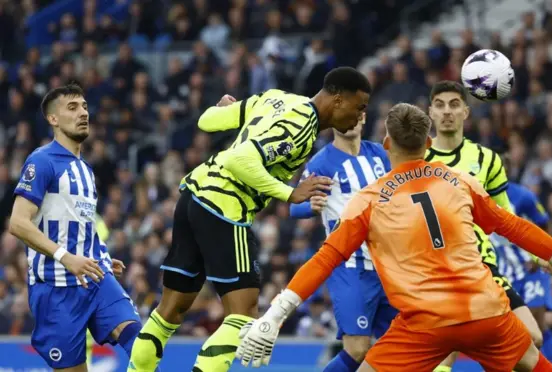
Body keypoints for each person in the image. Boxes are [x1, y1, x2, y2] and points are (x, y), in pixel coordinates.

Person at [233, 102, 552, 372]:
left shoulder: (368, 201)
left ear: (386, 143)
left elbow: (326, 258)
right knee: (532, 362)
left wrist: (274, 316)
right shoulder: (461, 181)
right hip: (486, 312)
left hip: (425, 324)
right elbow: (514, 226)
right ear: (427, 143)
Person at [128, 67, 372, 372]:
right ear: (338, 100)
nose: (361, 115)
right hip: (225, 208)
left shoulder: (277, 98)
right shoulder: (301, 128)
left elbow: (206, 121)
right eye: (359, 107)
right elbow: (238, 159)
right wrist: (289, 193)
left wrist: (222, 109)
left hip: (193, 195)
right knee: (243, 316)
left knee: (169, 312)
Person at [8, 83, 144, 372]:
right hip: (55, 290)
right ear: (53, 119)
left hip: (95, 279)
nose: (83, 113)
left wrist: (101, 254)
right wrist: (66, 257)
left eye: (84, 106)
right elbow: (18, 223)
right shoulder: (42, 161)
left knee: (141, 343)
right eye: (72, 108)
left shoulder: (86, 170)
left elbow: (80, 223)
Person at [425, 81, 552, 371]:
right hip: (436, 269)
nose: (447, 111)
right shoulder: (417, 158)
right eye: (440, 105)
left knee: (532, 337)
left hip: (483, 266)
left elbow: (506, 218)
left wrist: (538, 254)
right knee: (445, 350)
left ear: (466, 112)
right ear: (430, 112)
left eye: (454, 104)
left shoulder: (487, 160)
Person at [289, 112, 395, 372]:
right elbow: (295, 207)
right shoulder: (322, 162)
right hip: (351, 267)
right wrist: (311, 206)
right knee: (357, 348)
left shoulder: (380, 155)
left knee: (400, 346)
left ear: (364, 118)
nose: (351, 119)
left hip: (390, 266)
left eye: (357, 113)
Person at [493, 182, 552, 371]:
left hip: (530, 270)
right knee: (511, 332)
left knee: (536, 328)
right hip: (501, 272)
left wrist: (539, 254)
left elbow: (544, 224)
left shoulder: (522, 195)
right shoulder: (474, 191)